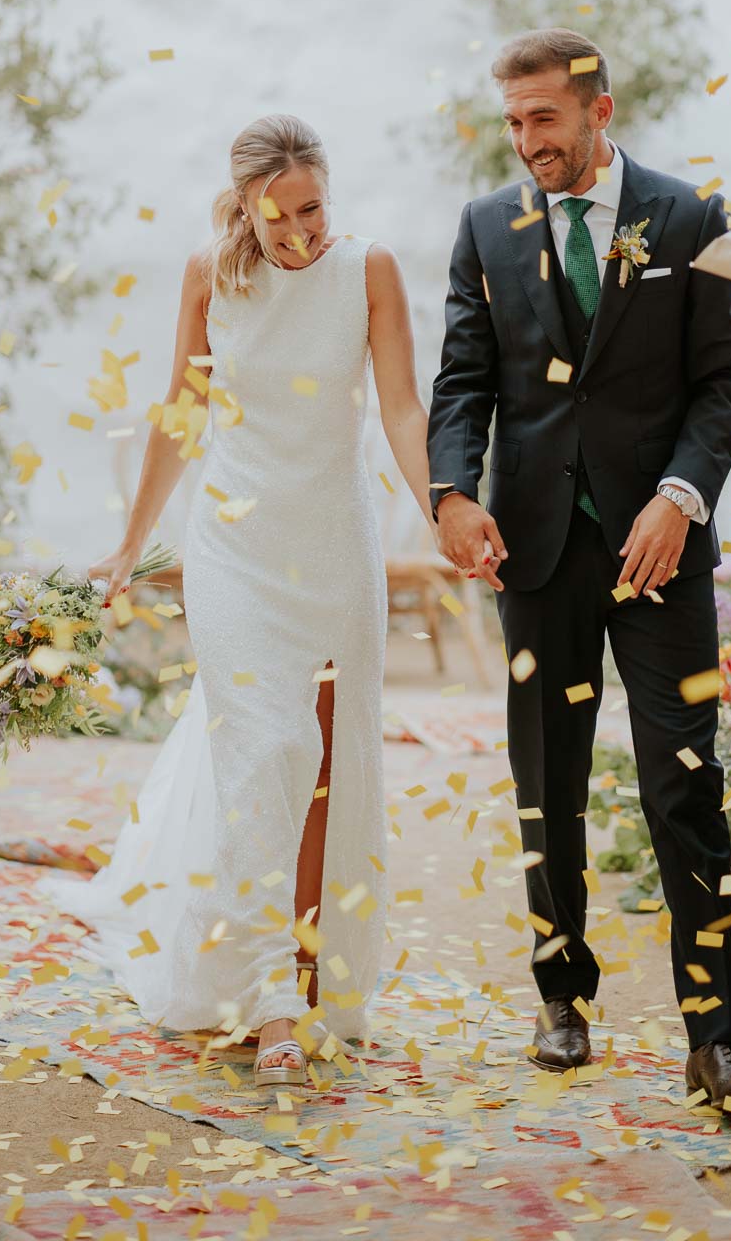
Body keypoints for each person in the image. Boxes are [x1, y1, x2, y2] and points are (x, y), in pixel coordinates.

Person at [41, 116, 433, 1087]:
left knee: (328, 771)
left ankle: (314, 970)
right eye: (278, 214)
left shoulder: (369, 270)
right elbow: (181, 411)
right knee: (268, 748)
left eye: (312, 209)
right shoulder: (209, 274)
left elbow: (401, 408)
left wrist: (449, 511)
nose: (298, 231)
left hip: (335, 549)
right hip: (233, 546)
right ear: (244, 206)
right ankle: (270, 1002)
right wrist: (134, 539)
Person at [427, 28, 731, 1114]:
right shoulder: (485, 225)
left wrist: (680, 498)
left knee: (685, 783)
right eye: (515, 122)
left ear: (599, 113)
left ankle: (715, 1036)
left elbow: (724, 383)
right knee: (548, 789)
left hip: (662, 548)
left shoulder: (691, 218)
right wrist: (451, 493)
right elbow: (464, 379)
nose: (529, 140)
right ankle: (560, 996)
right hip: (535, 546)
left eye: (546, 120)